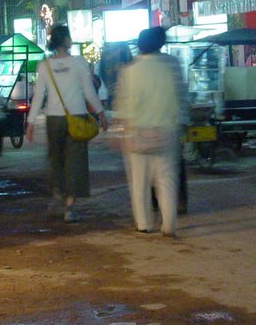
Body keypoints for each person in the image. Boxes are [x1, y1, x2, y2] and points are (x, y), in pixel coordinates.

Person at [26, 24, 108, 223]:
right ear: (66, 40)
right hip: (77, 117)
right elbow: (89, 92)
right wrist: (101, 113)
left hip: (53, 119)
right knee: (75, 163)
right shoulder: (79, 63)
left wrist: (30, 123)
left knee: (56, 160)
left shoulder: (44, 65)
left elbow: (38, 97)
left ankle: (57, 193)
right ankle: (69, 208)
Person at [115, 26, 188, 237]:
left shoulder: (129, 70)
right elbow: (181, 98)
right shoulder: (171, 66)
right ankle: (169, 224)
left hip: (139, 133)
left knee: (139, 182)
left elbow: (125, 105)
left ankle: (144, 223)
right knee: (166, 180)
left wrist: (122, 132)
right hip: (167, 131)